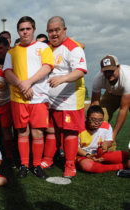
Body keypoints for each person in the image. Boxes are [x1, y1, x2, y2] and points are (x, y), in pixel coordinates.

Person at [3, 16, 54, 179]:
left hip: (39, 98)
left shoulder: (43, 48)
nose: (25, 32)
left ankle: (37, 165)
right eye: (21, 29)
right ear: (18, 31)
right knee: (22, 133)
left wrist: (29, 83)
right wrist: (21, 85)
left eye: (28, 29)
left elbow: (47, 67)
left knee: (38, 133)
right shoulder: (11, 52)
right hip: (19, 98)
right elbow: (8, 72)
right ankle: (24, 165)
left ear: (33, 29)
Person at [40, 16, 88, 178]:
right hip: (50, 99)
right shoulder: (46, 48)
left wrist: (61, 79)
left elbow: (80, 70)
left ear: (64, 30)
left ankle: (69, 165)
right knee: (51, 130)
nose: (54, 34)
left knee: (70, 132)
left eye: (57, 30)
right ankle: (48, 159)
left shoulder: (74, 48)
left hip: (69, 98)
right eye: (51, 31)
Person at [91, 55, 130, 151]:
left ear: (118, 67)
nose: (108, 74)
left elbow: (123, 109)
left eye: (112, 71)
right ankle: (109, 151)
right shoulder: (98, 78)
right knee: (100, 118)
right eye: (105, 71)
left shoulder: (127, 77)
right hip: (112, 93)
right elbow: (95, 105)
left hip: (128, 93)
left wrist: (113, 136)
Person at [76, 105, 129, 173]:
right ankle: (120, 166)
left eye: (100, 120)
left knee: (125, 155)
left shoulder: (106, 126)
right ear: (87, 118)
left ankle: (101, 159)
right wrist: (88, 156)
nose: (97, 123)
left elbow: (109, 141)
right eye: (93, 120)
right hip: (83, 155)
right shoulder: (79, 127)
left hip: (101, 154)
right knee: (90, 166)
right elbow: (75, 147)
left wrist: (105, 145)